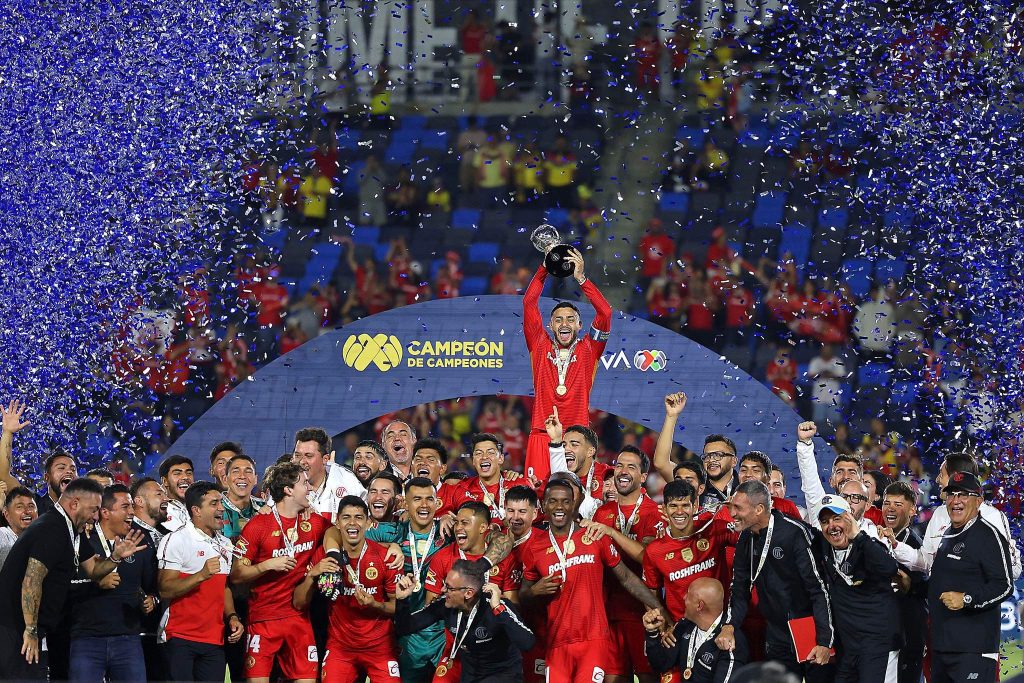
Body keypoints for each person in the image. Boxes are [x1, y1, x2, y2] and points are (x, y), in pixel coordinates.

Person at [519, 475, 667, 682]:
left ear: (574, 504)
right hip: (557, 643)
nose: (559, 507)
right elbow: (523, 596)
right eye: (553, 501)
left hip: (594, 640)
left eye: (565, 501)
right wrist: (535, 591)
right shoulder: (534, 547)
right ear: (544, 505)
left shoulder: (594, 536)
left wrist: (659, 608)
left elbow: (626, 577)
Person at [0, 478, 145, 680]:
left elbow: (93, 569)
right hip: (14, 629)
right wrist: (30, 631)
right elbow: (31, 582)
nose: (96, 516)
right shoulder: (51, 529)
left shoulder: (73, 530)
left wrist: (115, 557)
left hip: (30, 628)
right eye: (93, 509)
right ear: (75, 504)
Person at [716, 481, 835, 682]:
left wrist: (825, 641)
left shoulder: (794, 533)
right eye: (731, 507)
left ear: (759, 509)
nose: (732, 513)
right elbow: (739, 589)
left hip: (809, 629)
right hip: (776, 632)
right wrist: (730, 625)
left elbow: (819, 589)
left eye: (738, 508)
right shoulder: (745, 538)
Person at [230, 462, 329, 683]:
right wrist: (266, 565)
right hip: (263, 618)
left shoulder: (312, 521)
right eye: (304, 483)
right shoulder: (258, 525)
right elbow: (236, 575)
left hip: (299, 618)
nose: (310, 488)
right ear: (288, 490)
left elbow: (336, 534)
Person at [523, 247, 611, 480]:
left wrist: (581, 278)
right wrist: (545, 267)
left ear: (580, 326)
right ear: (550, 325)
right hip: (541, 433)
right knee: (537, 495)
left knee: (573, 495)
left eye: (571, 319)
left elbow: (605, 313)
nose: (564, 323)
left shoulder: (590, 348)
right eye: (559, 320)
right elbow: (529, 303)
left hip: (576, 438)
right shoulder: (539, 344)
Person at [294, 496, 401, 682]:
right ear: (337, 522)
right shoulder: (324, 557)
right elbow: (298, 603)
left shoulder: (385, 557)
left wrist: (375, 604)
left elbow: (397, 608)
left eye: (358, 517)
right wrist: (312, 575)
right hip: (340, 648)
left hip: (379, 647)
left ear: (368, 523)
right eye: (346, 517)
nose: (352, 523)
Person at [584, 446, 665, 683]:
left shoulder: (654, 512)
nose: (623, 471)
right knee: (613, 678)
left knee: (648, 676)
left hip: (644, 612)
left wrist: (612, 533)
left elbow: (648, 557)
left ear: (643, 476)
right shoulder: (602, 513)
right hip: (609, 614)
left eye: (631, 466)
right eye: (619, 465)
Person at [927, 471, 1013, 683]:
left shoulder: (988, 535)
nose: (955, 501)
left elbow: (1004, 585)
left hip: (973, 650)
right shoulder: (948, 533)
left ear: (979, 501)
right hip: (943, 647)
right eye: (951, 494)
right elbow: (941, 582)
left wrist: (966, 599)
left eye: (964, 494)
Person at [362, 477, 449, 682]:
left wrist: (451, 517)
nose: (424, 505)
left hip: (442, 634)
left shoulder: (449, 532)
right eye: (417, 499)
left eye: (429, 499)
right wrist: (388, 546)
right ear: (405, 504)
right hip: (406, 634)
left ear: (437, 503)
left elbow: (488, 534)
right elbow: (339, 533)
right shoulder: (390, 532)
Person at [881, 451, 1022, 578]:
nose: (937, 480)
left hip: (977, 597)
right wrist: (895, 544)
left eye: (941, 475)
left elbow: (1013, 570)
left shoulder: (992, 516)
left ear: (957, 477)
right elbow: (925, 562)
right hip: (941, 597)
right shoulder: (939, 514)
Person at [68, 483, 157, 683]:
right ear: (105, 512)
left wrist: (152, 599)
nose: (132, 512)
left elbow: (154, 586)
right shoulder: (84, 541)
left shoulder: (139, 540)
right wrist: (95, 583)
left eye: (132, 506)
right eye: (125, 506)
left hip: (128, 638)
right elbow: (66, 586)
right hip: (87, 638)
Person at [157, 481, 244, 682]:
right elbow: (165, 589)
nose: (221, 508)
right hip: (179, 637)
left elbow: (223, 587)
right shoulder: (176, 540)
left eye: (221, 502)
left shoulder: (224, 544)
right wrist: (201, 575)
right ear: (196, 510)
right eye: (214, 503)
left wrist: (232, 616)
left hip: (214, 639)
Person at [396, 559, 535, 682]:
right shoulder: (445, 605)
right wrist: (402, 600)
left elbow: (527, 643)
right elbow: (405, 627)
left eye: (449, 587)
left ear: (468, 593)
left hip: (502, 674)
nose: (443, 590)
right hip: (470, 674)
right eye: (444, 584)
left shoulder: (496, 606)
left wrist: (498, 609)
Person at [814, 494, 901, 682]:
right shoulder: (823, 546)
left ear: (850, 518)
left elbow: (890, 568)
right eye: (825, 522)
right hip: (848, 647)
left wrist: (858, 536)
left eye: (837, 518)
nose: (831, 526)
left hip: (877, 645)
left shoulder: (868, 545)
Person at [642, 480, 737, 621]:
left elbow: (752, 539)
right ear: (664, 509)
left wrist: (738, 514)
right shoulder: (654, 550)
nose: (679, 512)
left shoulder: (715, 529)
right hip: (681, 626)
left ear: (695, 506)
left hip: (721, 623)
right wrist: (666, 624)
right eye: (673, 506)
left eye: (685, 505)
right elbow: (651, 591)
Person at [642, 577, 748, 682]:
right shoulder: (684, 626)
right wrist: (652, 632)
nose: (684, 598)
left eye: (688, 595)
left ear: (700, 606)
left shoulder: (729, 642)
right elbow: (660, 664)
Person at [425, 502, 519, 607]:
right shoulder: (442, 557)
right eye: (456, 522)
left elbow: (514, 607)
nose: (457, 527)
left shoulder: (504, 557)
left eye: (464, 523)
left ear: (482, 527)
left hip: (492, 616)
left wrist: (499, 605)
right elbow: (430, 606)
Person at [881, 481, 927, 683]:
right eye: (887, 503)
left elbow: (925, 586)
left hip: (907, 636)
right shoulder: (879, 540)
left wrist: (909, 584)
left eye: (898, 504)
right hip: (887, 635)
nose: (890, 508)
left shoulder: (916, 546)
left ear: (912, 510)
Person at [794, 422, 885, 526]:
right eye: (839, 472)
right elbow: (810, 481)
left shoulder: (875, 524)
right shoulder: (822, 511)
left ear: (861, 482)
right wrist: (805, 444)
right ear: (831, 481)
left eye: (852, 472)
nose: (846, 476)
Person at [503, 485, 546, 683]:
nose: (515, 517)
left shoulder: (545, 542)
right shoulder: (493, 541)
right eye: (510, 510)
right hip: (501, 634)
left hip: (537, 630)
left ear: (534, 513)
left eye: (522, 511)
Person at [130, 476, 170, 681]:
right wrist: (142, 597)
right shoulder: (127, 533)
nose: (165, 498)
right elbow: (122, 573)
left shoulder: (169, 534)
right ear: (139, 501)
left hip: (164, 629)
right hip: (134, 629)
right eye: (159, 494)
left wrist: (156, 597)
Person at [545, 409, 611, 518]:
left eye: (574, 444)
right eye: (564, 445)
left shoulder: (607, 475)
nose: (566, 449)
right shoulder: (554, 475)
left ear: (590, 451)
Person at [292, 426, 365, 522]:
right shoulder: (284, 484)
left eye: (308, 456)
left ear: (325, 459)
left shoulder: (347, 481)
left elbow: (365, 520)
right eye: (297, 455)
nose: (301, 461)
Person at [452, 434, 530, 522]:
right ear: (473, 460)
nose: (484, 457)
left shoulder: (518, 485)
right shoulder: (463, 488)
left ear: (501, 458)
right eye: (478, 453)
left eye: (490, 452)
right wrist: (445, 516)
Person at [736, 451, 803, 520]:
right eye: (743, 470)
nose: (748, 474)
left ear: (767, 478)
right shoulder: (730, 506)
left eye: (755, 470)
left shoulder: (786, 507)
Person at [221, 453, 265, 540]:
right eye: (236, 471)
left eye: (248, 472)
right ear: (225, 479)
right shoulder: (213, 508)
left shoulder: (265, 508)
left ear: (255, 479)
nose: (242, 476)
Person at [0, 486, 37, 570]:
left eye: (31, 506)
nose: (27, 511)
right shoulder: (2, 535)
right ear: (7, 514)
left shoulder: (44, 538)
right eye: (19, 507)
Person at [701, 434, 739, 508]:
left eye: (718, 455)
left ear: (734, 461)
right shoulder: (697, 490)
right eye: (707, 456)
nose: (711, 460)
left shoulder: (745, 488)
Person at [158, 454, 194, 532]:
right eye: (177, 473)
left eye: (189, 473)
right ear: (165, 481)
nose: (185, 477)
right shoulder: (160, 511)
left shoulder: (199, 505)